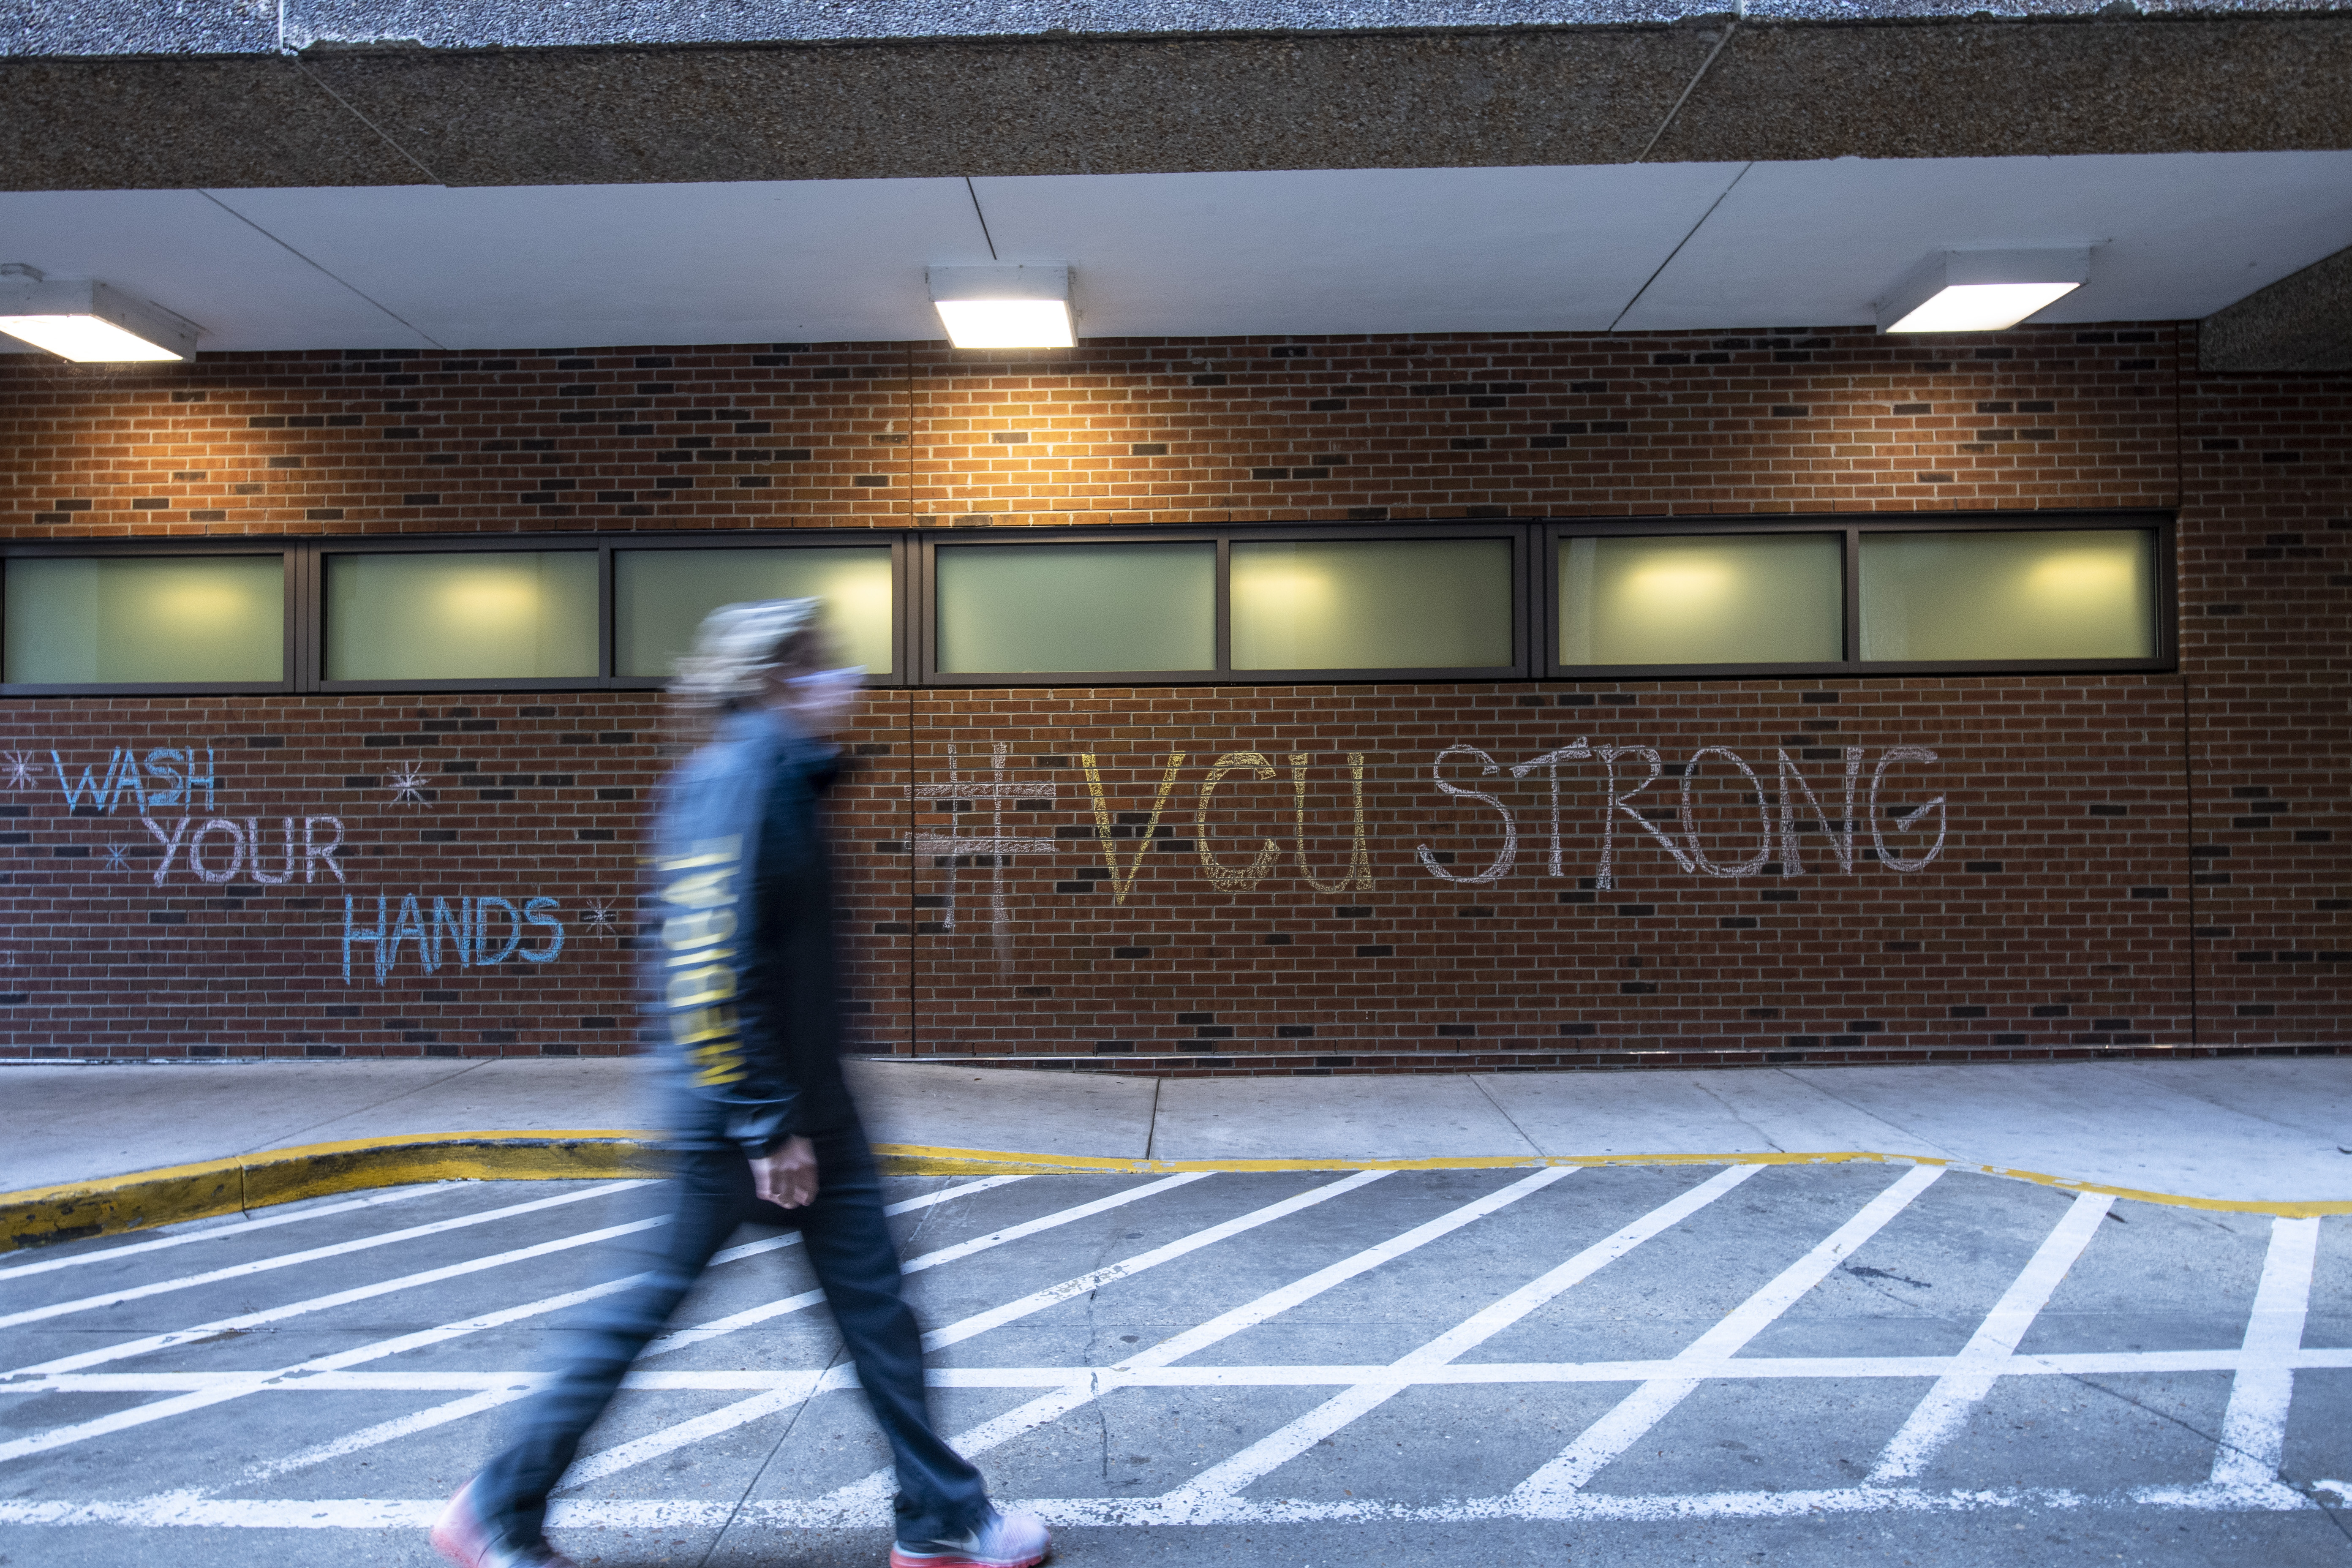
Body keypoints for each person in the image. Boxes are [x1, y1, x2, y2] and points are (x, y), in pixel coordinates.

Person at [432, 599, 1050, 1568]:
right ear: (774, 680)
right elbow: (707, 969)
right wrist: (764, 1123)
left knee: (878, 1310)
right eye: (821, 667)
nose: (843, 683)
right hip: (742, 1122)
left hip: (808, 1110)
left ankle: (938, 1515)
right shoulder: (739, 779)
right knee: (641, 1307)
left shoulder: (781, 778)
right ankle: (495, 1506)